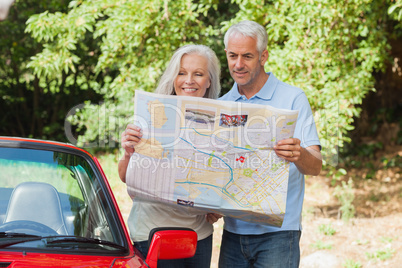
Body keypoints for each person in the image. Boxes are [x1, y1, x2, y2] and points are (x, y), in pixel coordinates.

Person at [218, 20, 322, 268]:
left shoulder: (293, 98)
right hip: (232, 233)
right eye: (233, 56)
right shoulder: (222, 104)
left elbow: (316, 166)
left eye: (247, 56)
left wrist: (299, 154)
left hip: (279, 234)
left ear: (263, 56)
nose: (238, 64)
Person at [118, 44, 221, 268]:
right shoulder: (150, 113)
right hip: (153, 233)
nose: (189, 80)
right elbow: (125, 176)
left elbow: (222, 178)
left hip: (198, 237)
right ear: (173, 77)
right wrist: (128, 152)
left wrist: (218, 205)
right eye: (182, 72)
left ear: (209, 81)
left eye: (198, 74)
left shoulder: (220, 123)